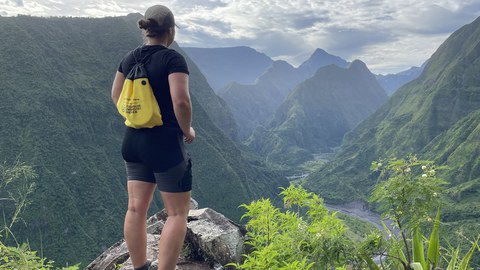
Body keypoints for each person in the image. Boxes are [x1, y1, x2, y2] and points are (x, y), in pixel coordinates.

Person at [110, 4, 195, 270]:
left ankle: (140, 266)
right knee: (177, 213)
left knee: (135, 209)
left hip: (133, 142)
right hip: (165, 144)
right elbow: (181, 101)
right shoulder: (172, 59)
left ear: (147, 29)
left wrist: (137, 118)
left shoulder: (129, 58)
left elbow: (116, 95)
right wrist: (187, 130)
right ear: (170, 31)